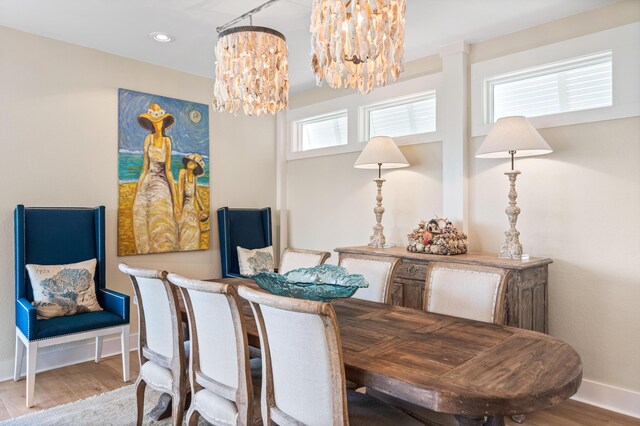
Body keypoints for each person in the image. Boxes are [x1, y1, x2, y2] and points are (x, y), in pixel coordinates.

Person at [132, 103, 179, 254]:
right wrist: (137, 190)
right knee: (141, 215)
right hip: (148, 181)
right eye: (155, 121)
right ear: (151, 123)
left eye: (160, 121)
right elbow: (144, 168)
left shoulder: (167, 142)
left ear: (164, 122)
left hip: (161, 181)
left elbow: (169, 171)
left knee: (162, 217)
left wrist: (176, 200)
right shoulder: (148, 139)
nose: (157, 124)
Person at [177, 153, 207, 251]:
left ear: (196, 166)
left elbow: (196, 194)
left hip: (192, 209)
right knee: (184, 231)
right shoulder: (182, 172)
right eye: (190, 161)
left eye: (194, 162)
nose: (191, 163)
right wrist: (180, 211)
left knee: (194, 232)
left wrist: (203, 209)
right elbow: (180, 193)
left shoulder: (194, 177)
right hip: (184, 207)